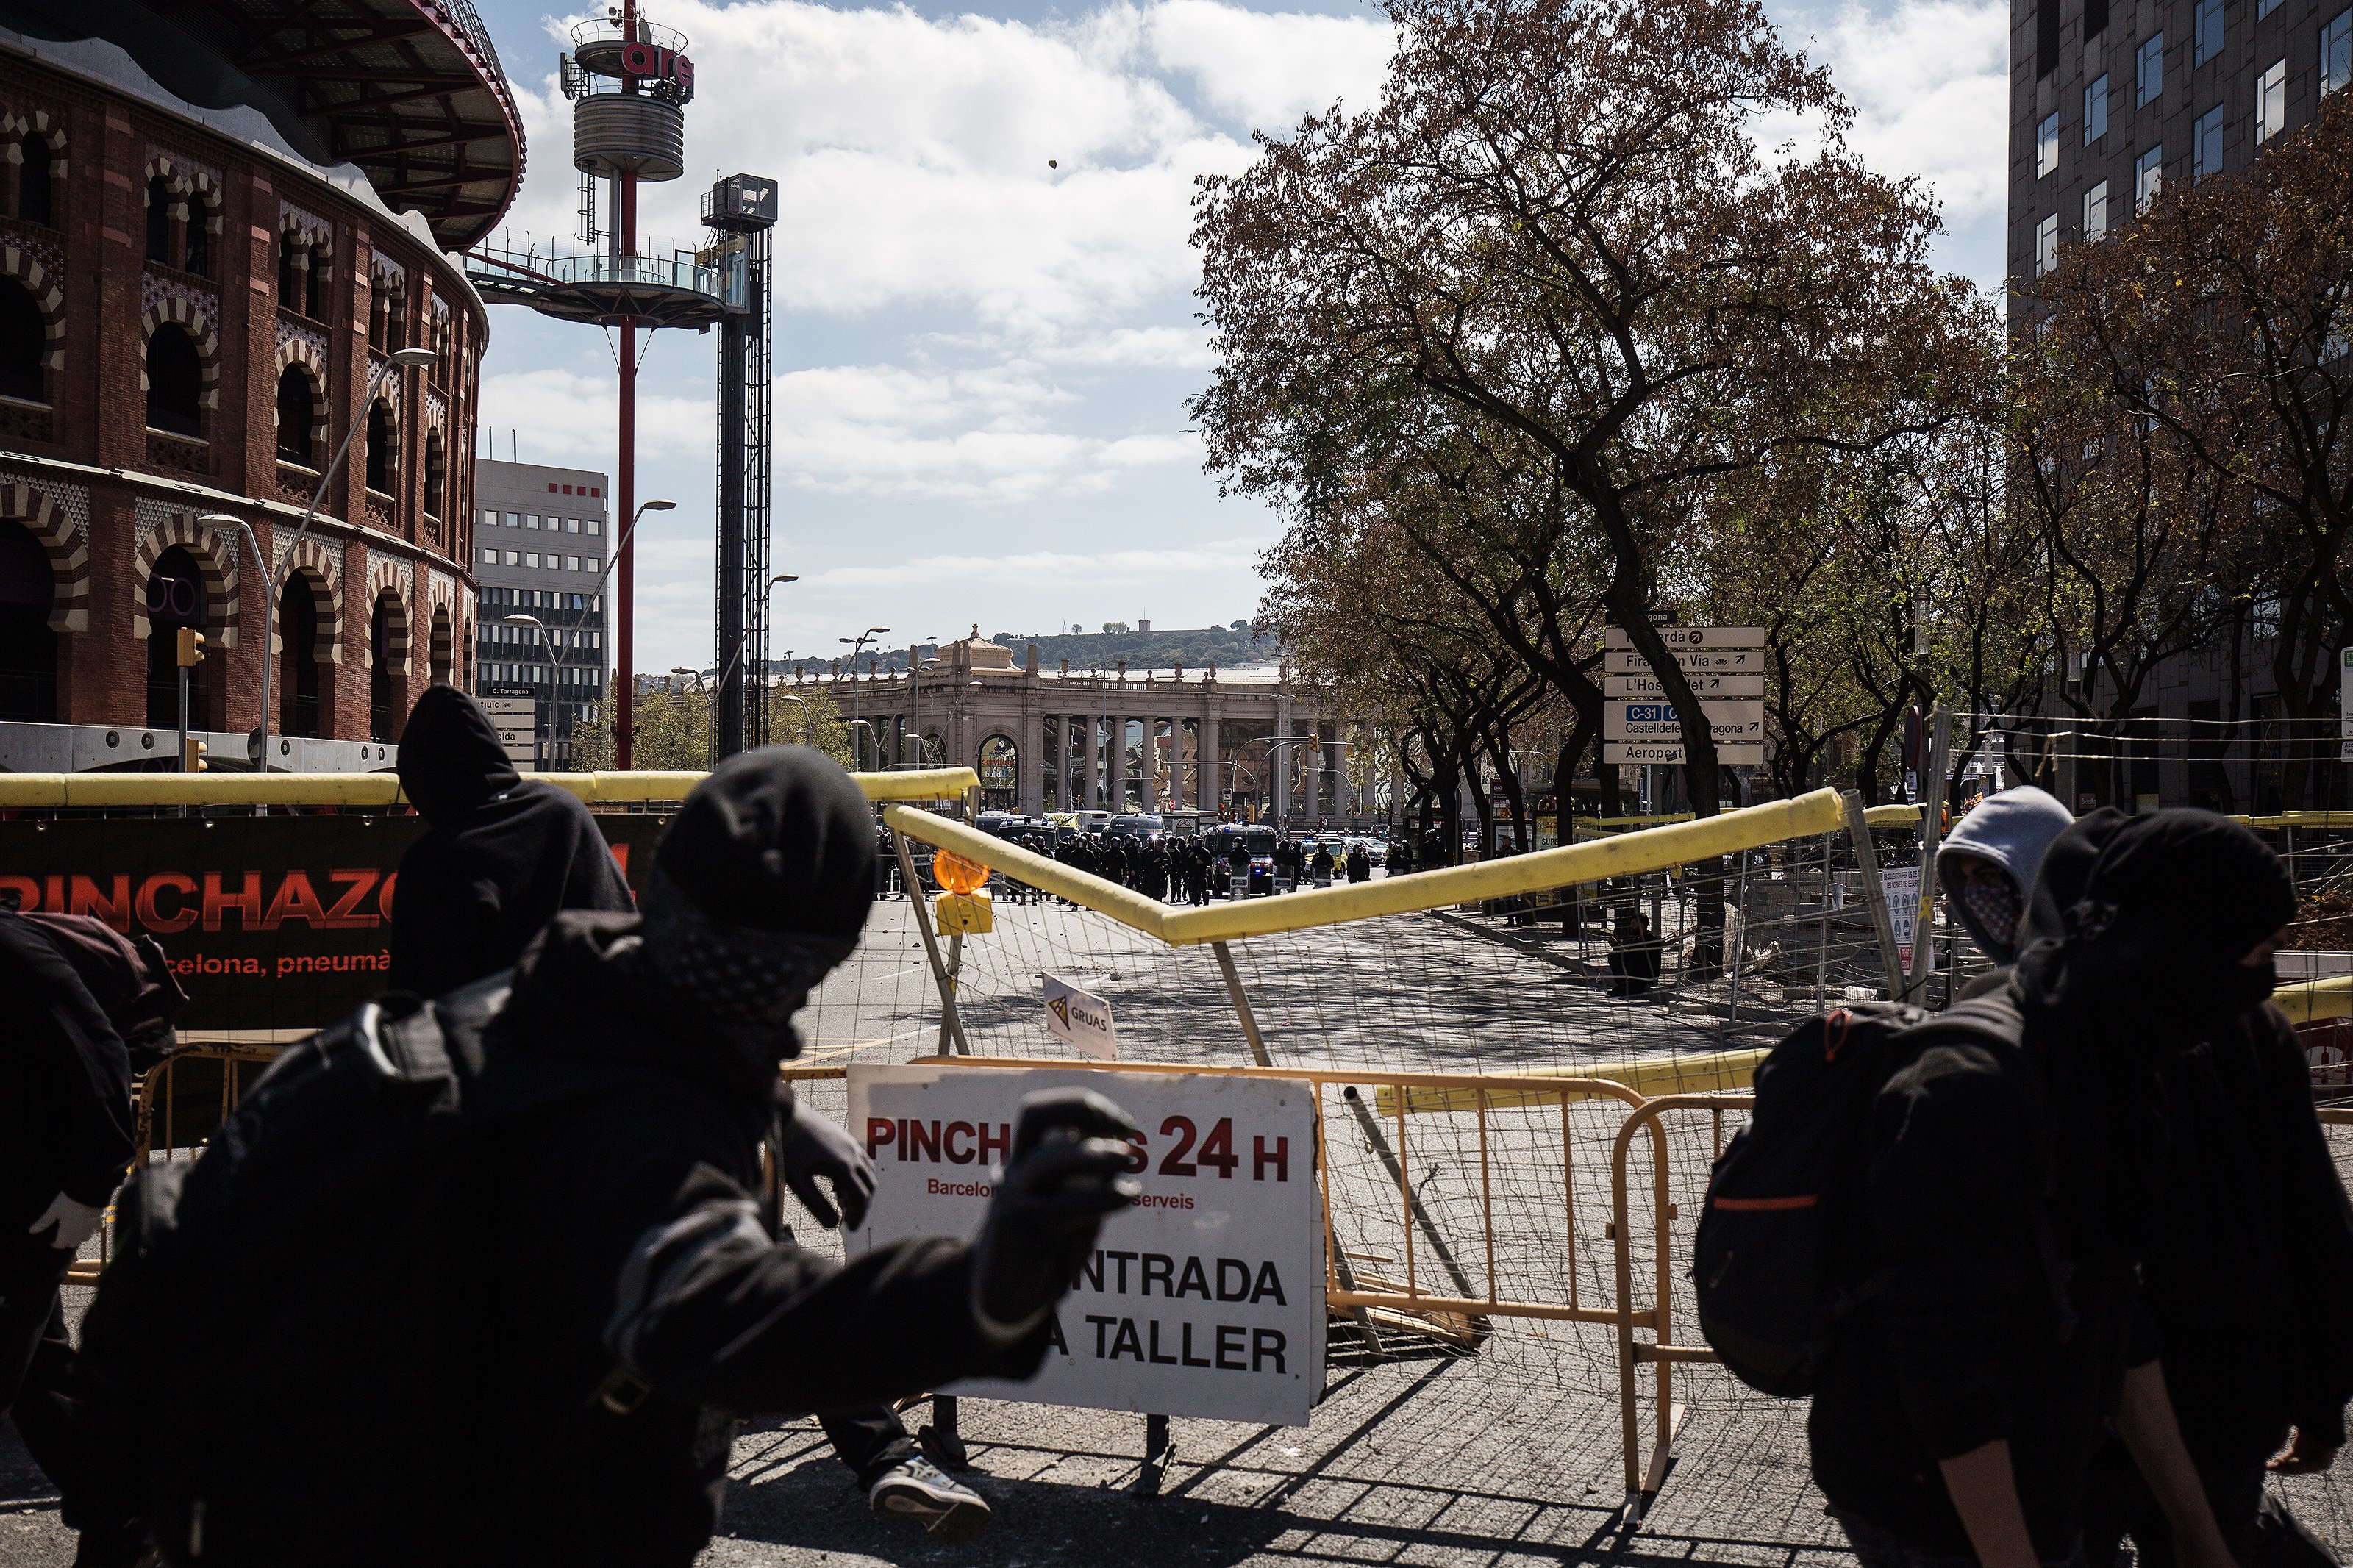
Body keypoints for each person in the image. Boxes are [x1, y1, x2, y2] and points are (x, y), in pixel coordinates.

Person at [1810, 809, 2294, 1568]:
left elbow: (2114, 1310)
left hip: (2038, 1476)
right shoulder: (1972, 1087)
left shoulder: (2117, 1059)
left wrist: (2196, 1531)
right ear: (2178, 948)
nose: (2260, 986)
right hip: (1923, 1502)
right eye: (2252, 955)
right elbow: (1945, 1375)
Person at [2035, 815, 2353, 1568]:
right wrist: (2319, 1403)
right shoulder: (2251, 1032)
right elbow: (2317, 1228)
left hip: (2066, 1418)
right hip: (2217, 1401)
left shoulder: (2032, 1039)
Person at [1, 908, 185, 1568]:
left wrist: (87, 1188)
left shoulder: (10, 948)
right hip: (20, 1192)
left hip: (29, 1202)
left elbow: (100, 1050)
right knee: (39, 1378)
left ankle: (131, 1522)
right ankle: (127, 1520)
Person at [388, 686, 635, 998]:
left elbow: (416, 1007)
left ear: (418, 778)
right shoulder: (563, 810)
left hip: (501, 1039)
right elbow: (622, 924)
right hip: (612, 1025)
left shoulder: (434, 860)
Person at [1935, 785, 2075, 967]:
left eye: (1987, 875)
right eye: (1965, 879)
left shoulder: (2114, 983)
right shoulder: (1993, 988)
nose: (1973, 896)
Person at [1605, 909, 1661, 997]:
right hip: (1642, 975)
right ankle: (1624, 986)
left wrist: (1615, 945)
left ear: (1641, 925)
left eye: (1634, 924)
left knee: (1613, 956)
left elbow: (1628, 955)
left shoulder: (1647, 940)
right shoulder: (1641, 938)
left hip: (1645, 978)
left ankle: (1626, 987)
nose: (1631, 926)